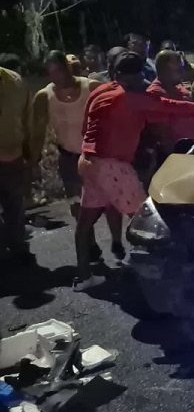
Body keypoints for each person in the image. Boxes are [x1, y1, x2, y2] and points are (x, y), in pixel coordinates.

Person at [75, 52, 194, 289]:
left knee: (85, 223)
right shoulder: (133, 98)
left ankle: (84, 277)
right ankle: (159, 281)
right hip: (113, 165)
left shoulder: (99, 91)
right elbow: (177, 107)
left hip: (87, 161)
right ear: (135, 76)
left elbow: (84, 127)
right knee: (148, 222)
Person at [30, 51, 111, 260]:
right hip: (68, 157)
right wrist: (33, 160)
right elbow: (38, 131)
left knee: (104, 201)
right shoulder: (44, 96)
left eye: (59, 70)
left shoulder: (91, 87)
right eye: (51, 73)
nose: (56, 76)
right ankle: (90, 243)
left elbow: (112, 114)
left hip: (95, 155)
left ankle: (114, 239)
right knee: (78, 205)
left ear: (66, 67)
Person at [0, 65, 38, 266]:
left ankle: (18, 247)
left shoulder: (14, 81)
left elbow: (27, 119)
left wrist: (30, 154)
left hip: (12, 156)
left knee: (15, 205)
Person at [147, 50, 194, 156]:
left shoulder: (180, 89)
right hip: (177, 157)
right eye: (178, 67)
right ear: (164, 68)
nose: (182, 71)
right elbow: (161, 135)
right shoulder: (156, 94)